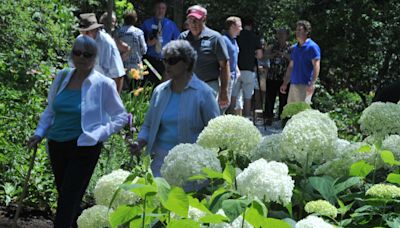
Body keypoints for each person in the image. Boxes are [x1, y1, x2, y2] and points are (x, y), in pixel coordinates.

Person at [27, 36, 128, 228]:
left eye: (87, 54)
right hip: (57, 144)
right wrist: (39, 133)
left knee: (68, 200)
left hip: (85, 147)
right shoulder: (62, 76)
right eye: (77, 53)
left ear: (95, 57)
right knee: (68, 197)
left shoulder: (103, 83)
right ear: (72, 54)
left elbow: (120, 117)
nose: (81, 57)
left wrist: (100, 133)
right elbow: (50, 109)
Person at [130, 40, 220, 177]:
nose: (167, 65)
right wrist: (140, 142)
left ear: (187, 63)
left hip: (191, 167)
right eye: (164, 60)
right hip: (159, 163)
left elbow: (214, 133)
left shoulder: (204, 94)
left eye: (172, 61)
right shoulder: (159, 92)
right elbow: (148, 125)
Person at [179, 5, 230, 111]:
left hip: (209, 86)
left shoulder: (215, 38)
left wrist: (224, 91)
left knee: (209, 122)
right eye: (190, 20)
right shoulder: (182, 37)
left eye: (196, 20)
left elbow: (224, 66)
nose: (193, 24)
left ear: (204, 19)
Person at [78, 13, 125, 94]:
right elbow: (73, 68)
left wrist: (114, 102)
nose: (83, 36)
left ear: (94, 30)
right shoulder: (79, 40)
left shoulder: (107, 43)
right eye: (82, 32)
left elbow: (118, 74)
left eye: (86, 33)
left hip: (103, 92)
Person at [280, 20, 321, 104]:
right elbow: (291, 66)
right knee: (291, 113)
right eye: (296, 30)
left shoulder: (312, 47)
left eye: (300, 30)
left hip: (306, 85)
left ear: (306, 32)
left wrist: (312, 83)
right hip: (293, 84)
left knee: (302, 114)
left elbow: (316, 65)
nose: (297, 32)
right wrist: (285, 83)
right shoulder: (294, 48)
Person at [141, 0, 180, 86]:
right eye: (158, 8)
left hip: (165, 61)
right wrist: (148, 44)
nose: (160, 11)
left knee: (164, 86)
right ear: (154, 9)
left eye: (163, 8)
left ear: (165, 10)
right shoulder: (147, 24)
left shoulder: (171, 25)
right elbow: (140, 43)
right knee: (148, 86)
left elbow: (178, 41)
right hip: (149, 60)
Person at [231, 17, 263, 118]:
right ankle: (247, 117)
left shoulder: (236, 36)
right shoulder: (254, 37)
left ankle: (230, 117)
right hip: (249, 69)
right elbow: (259, 55)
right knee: (247, 96)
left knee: (233, 95)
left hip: (236, 69)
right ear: (251, 26)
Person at [264, 28, 291, 124]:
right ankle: (268, 117)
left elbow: (293, 59)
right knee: (269, 98)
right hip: (272, 76)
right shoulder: (272, 46)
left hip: (284, 78)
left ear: (287, 35)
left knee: (284, 99)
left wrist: (284, 54)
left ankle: (282, 118)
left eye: (282, 34)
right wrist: (273, 54)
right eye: (279, 34)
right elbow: (265, 57)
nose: (280, 36)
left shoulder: (291, 47)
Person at [116, 10, 147, 90]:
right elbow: (144, 50)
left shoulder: (118, 32)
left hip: (121, 65)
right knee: (134, 93)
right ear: (135, 19)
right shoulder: (138, 32)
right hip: (136, 67)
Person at [223, 16, 242, 114]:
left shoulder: (234, 40)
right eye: (239, 26)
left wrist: (237, 70)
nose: (241, 29)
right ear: (232, 26)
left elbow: (234, 57)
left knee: (227, 102)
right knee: (223, 103)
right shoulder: (224, 40)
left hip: (234, 77)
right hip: (226, 77)